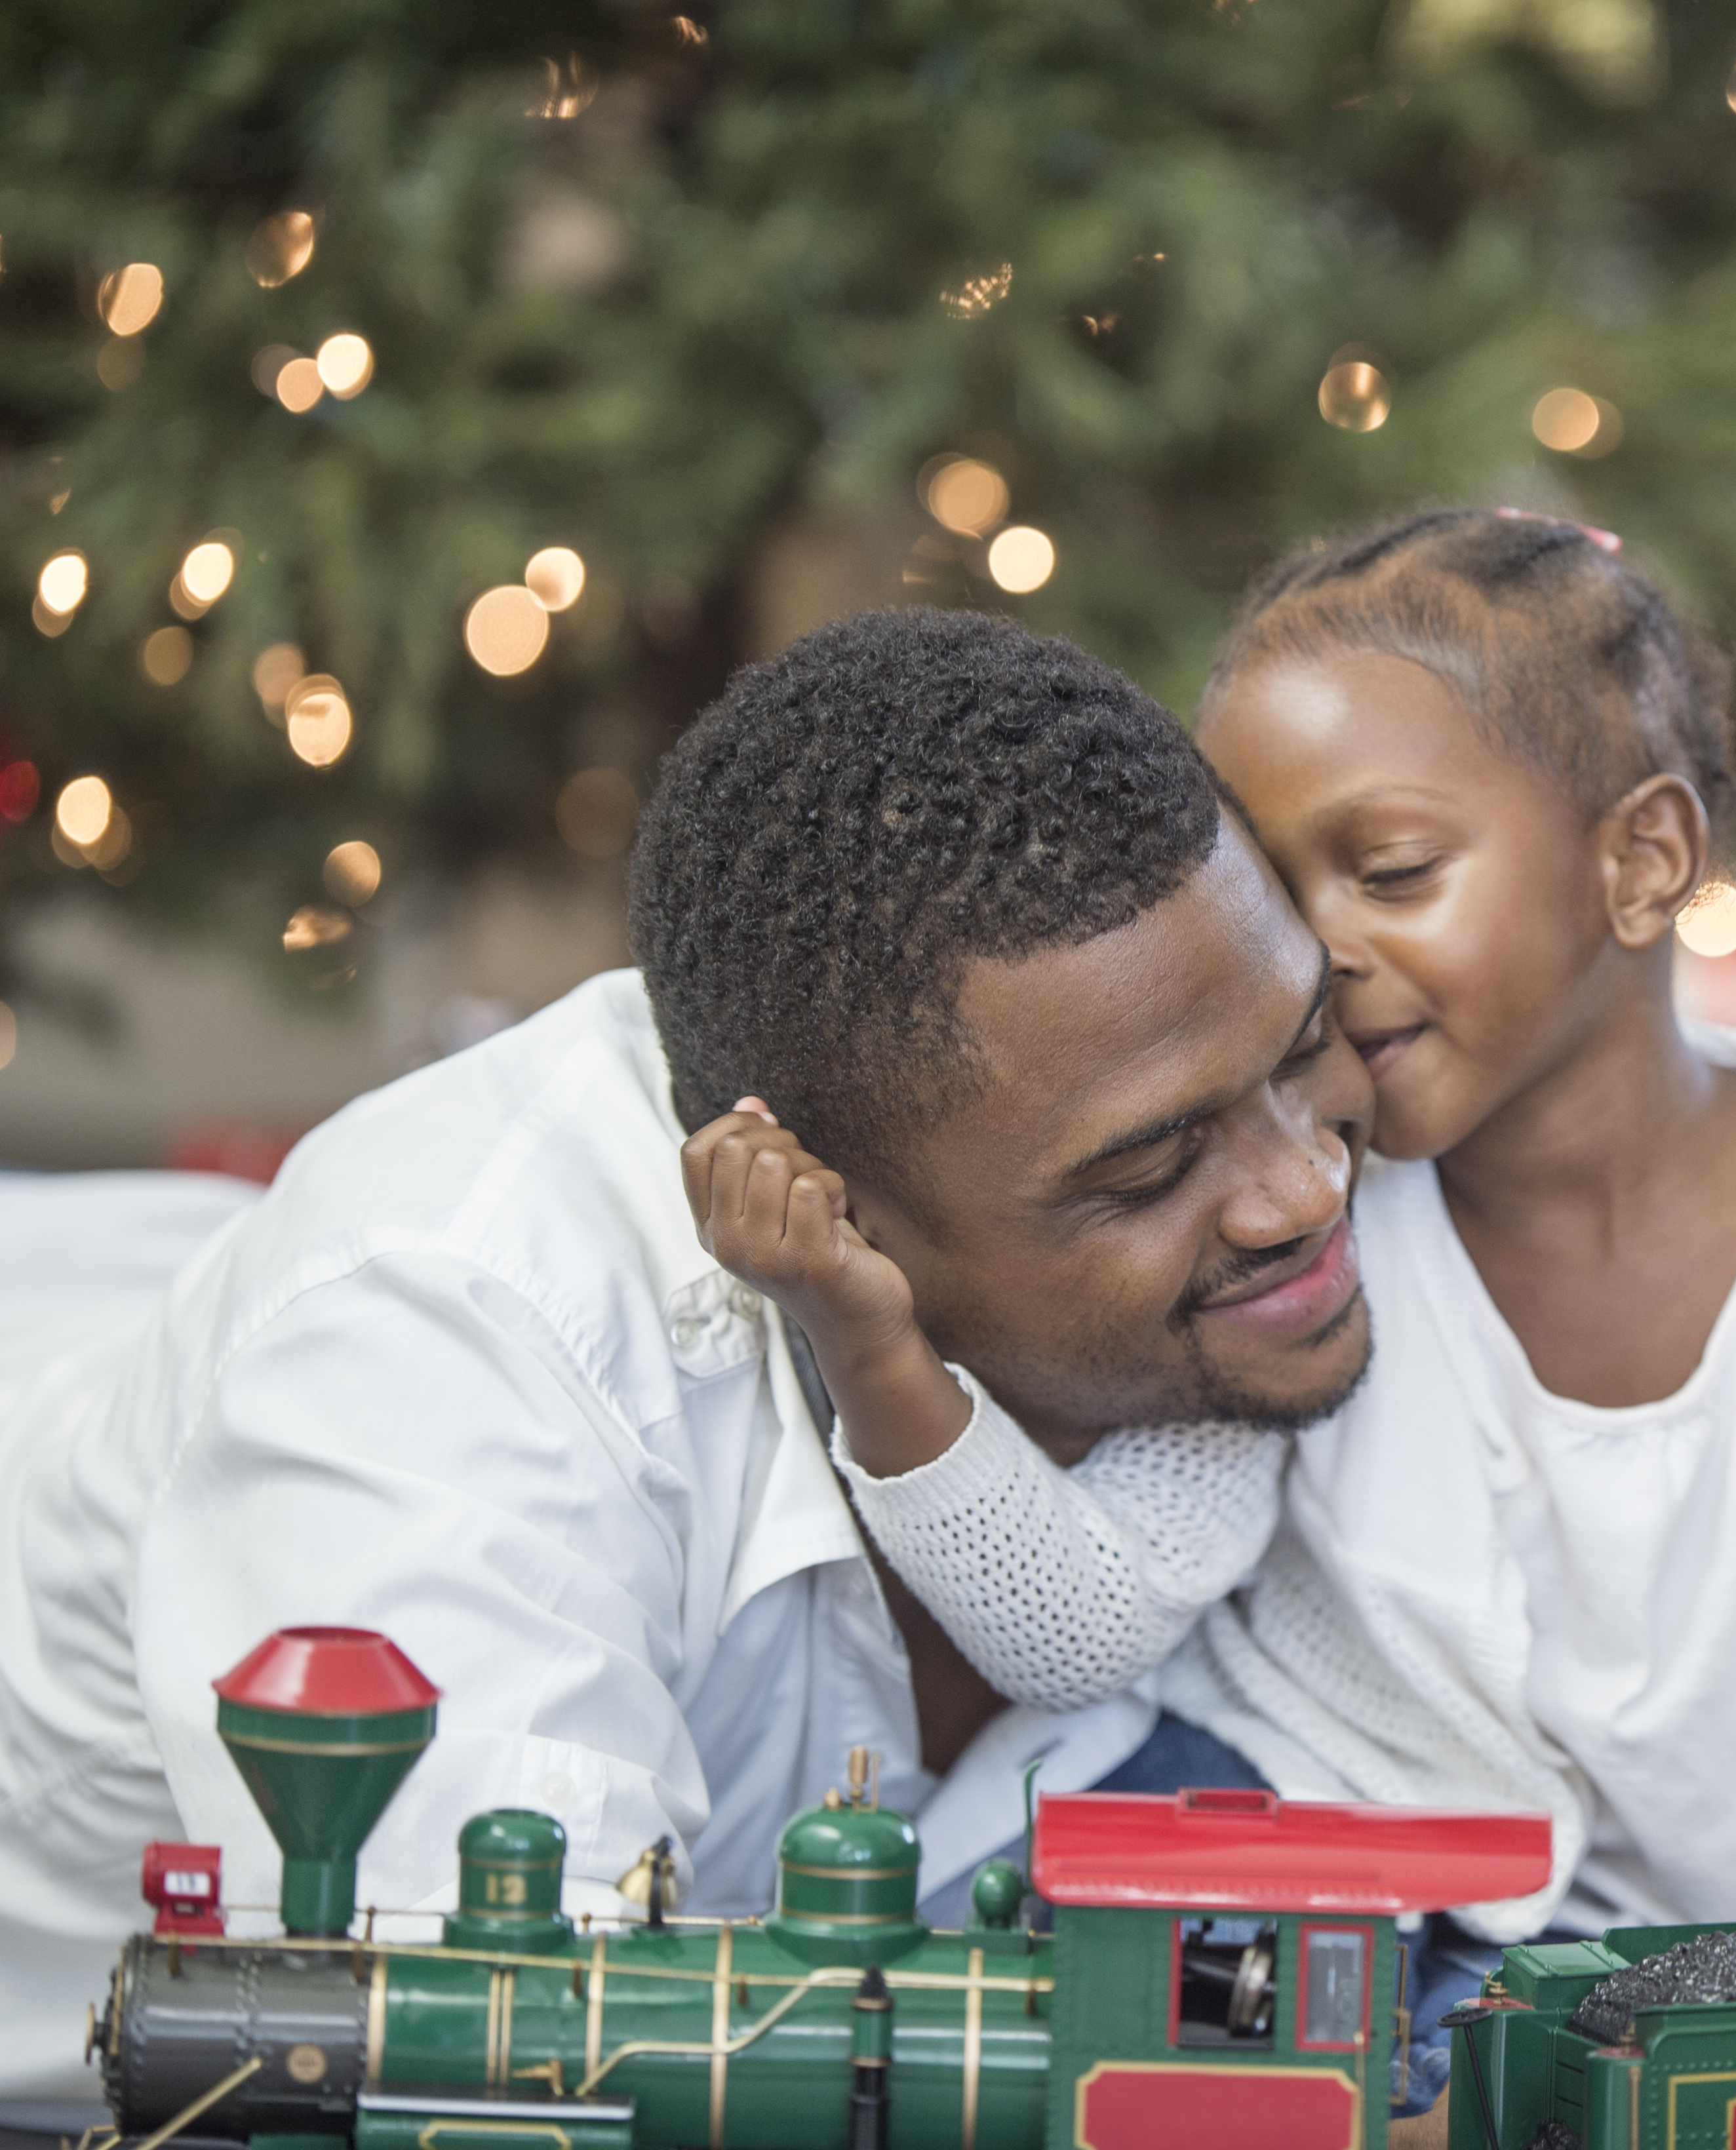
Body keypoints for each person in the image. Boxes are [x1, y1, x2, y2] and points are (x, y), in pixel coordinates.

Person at [857, 507, 1736, 2126]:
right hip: (1343, 1881)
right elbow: (1081, 1622)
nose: (1317, 951)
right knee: (1139, 1985)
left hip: (1734, 1977)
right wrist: (878, 1354)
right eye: (1271, 889)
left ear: (1643, 860)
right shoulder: (1304, 1219)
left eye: (1389, 869)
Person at [0, 610, 1365, 2101]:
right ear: (826, 1214)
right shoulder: (432, 1380)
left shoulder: (1271, 1160)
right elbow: (498, 2087)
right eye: (1154, 1163)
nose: (1308, 1188)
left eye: (1303, 1046)